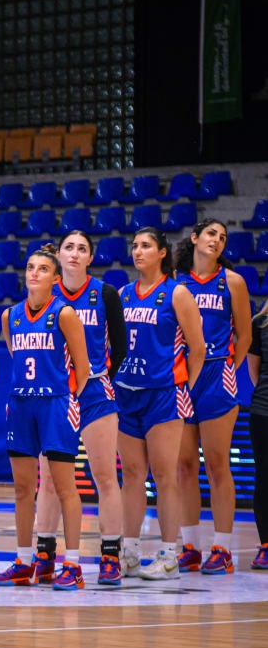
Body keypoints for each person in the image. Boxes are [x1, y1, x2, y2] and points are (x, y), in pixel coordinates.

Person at [33, 231, 128, 586]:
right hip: (55, 395)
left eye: (82, 249)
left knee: (104, 476)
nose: (74, 253)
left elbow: (119, 349)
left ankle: (110, 556)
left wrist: (94, 378)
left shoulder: (104, 294)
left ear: (90, 257)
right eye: (69, 247)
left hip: (94, 392)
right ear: (58, 255)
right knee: (51, 482)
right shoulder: (44, 293)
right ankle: (44, 554)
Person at [0, 244, 90, 590]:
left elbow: (83, 367)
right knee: (23, 488)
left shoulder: (64, 314)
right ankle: (24, 560)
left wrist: (67, 401)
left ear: (54, 277)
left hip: (56, 404)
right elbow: (14, 353)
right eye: (30, 267)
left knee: (65, 486)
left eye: (42, 269)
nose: (34, 273)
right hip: (21, 404)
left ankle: (74, 563)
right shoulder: (11, 316)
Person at [115, 227, 205, 579]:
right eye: (135, 245)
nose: (138, 251)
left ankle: (170, 554)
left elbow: (197, 348)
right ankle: (131, 552)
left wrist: (184, 385)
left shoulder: (177, 293)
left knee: (165, 475)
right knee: (133, 475)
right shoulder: (123, 294)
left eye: (146, 246)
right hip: (126, 392)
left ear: (162, 253)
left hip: (164, 393)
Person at [174, 219, 251, 575]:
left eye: (222, 238)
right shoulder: (176, 281)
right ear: (194, 238)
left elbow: (245, 336)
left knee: (217, 463)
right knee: (184, 466)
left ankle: (222, 548)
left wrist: (227, 369)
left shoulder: (232, 282)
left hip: (217, 374)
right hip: (182, 376)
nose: (217, 241)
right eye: (211, 234)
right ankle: (190, 546)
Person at [245, 302, 268, 569]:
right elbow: (254, 371)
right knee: (264, 477)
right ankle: (265, 544)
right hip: (263, 412)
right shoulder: (260, 323)